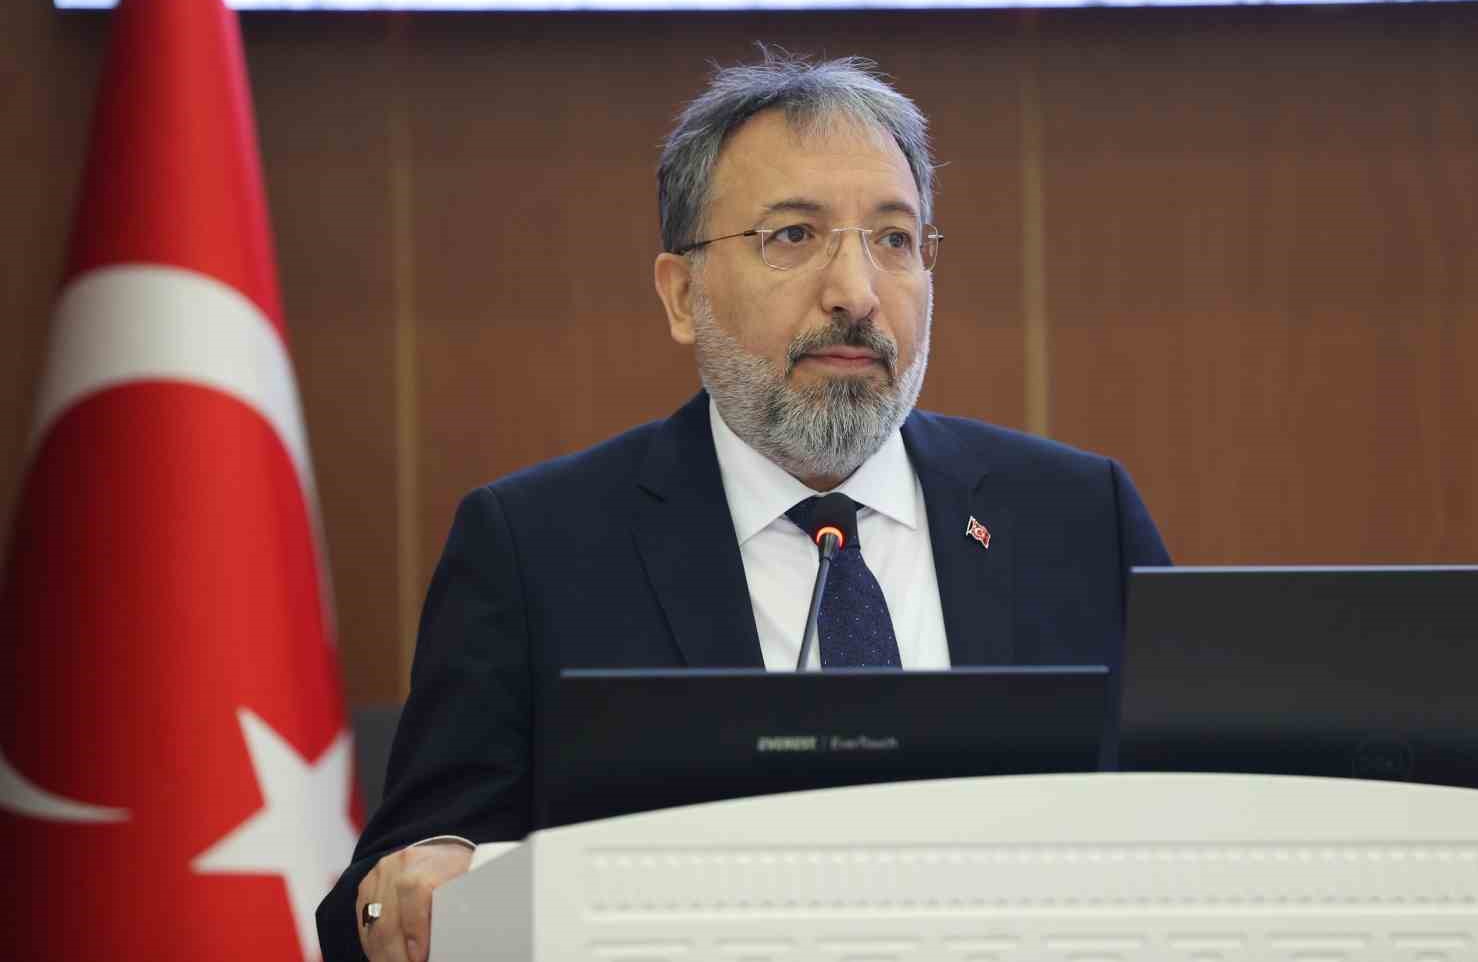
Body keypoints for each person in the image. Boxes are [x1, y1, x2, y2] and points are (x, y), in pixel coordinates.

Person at [317, 53, 1170, 962]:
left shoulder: (1077, 519)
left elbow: (1211, 819)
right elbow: (376, 906)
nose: (856, 293)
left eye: (893, 239)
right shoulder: (536, 550)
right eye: (794, 235)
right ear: (683, 295)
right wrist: (417, 882)